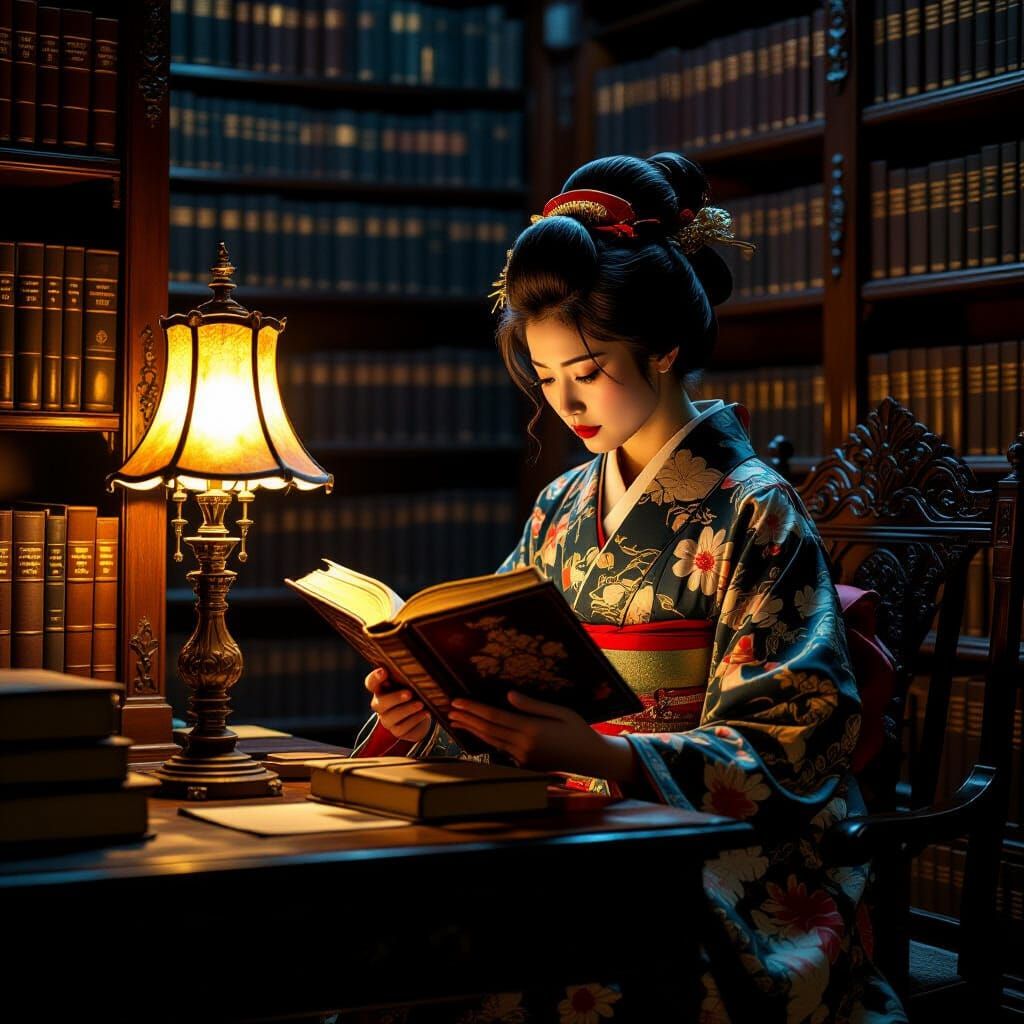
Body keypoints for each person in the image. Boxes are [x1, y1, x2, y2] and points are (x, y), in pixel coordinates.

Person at [346, 153, 908, 1023]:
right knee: (399, 914)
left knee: (539, 950)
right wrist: (434, 700)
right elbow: (494, 654)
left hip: (703, 846)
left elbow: (795, 732)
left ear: (664, 347)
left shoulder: (755, 509)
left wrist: (609, 755)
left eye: (590, 369)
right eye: (546, 378)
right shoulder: (563, 502)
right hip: (571, 816)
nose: (567, 403)